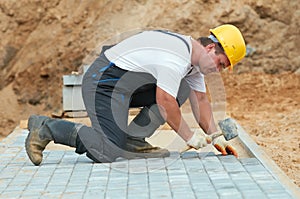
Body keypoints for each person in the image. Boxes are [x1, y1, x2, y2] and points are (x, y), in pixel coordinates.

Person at [25, 24, 246, 166]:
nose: (218, 70)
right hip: (103, 83)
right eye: (220, 63)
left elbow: (201, 100)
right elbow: (165, 101)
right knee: (107, 151)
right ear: (210, 48)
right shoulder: (176, 57)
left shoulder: (194, 64)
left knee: (182, 88)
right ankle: (45, 127)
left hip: (125, 87)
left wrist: (216, 136)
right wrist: (190, 137)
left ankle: (132, 139)